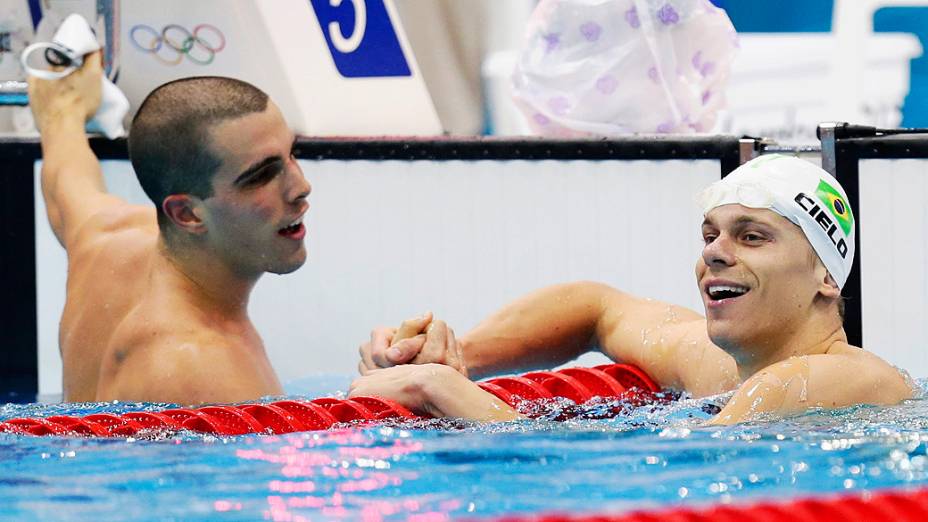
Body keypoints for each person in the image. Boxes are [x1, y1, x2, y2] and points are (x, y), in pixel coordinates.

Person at [352, 155, 913, 424]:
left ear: (827, 276)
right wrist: (458, 358)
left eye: (752, 237)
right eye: (710, 234)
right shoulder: (720, 368)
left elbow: (665, 488)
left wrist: (442, 390)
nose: (715, 252)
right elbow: (597, 307)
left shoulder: (828, 377)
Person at [29, 51, 310, 404]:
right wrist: (377, 404)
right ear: (187, 214)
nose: (300, 186)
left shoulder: (105, 239)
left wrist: (63, 108)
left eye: (291, 153)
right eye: (262, 175)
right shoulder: (203, 369)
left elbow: (65, 178)